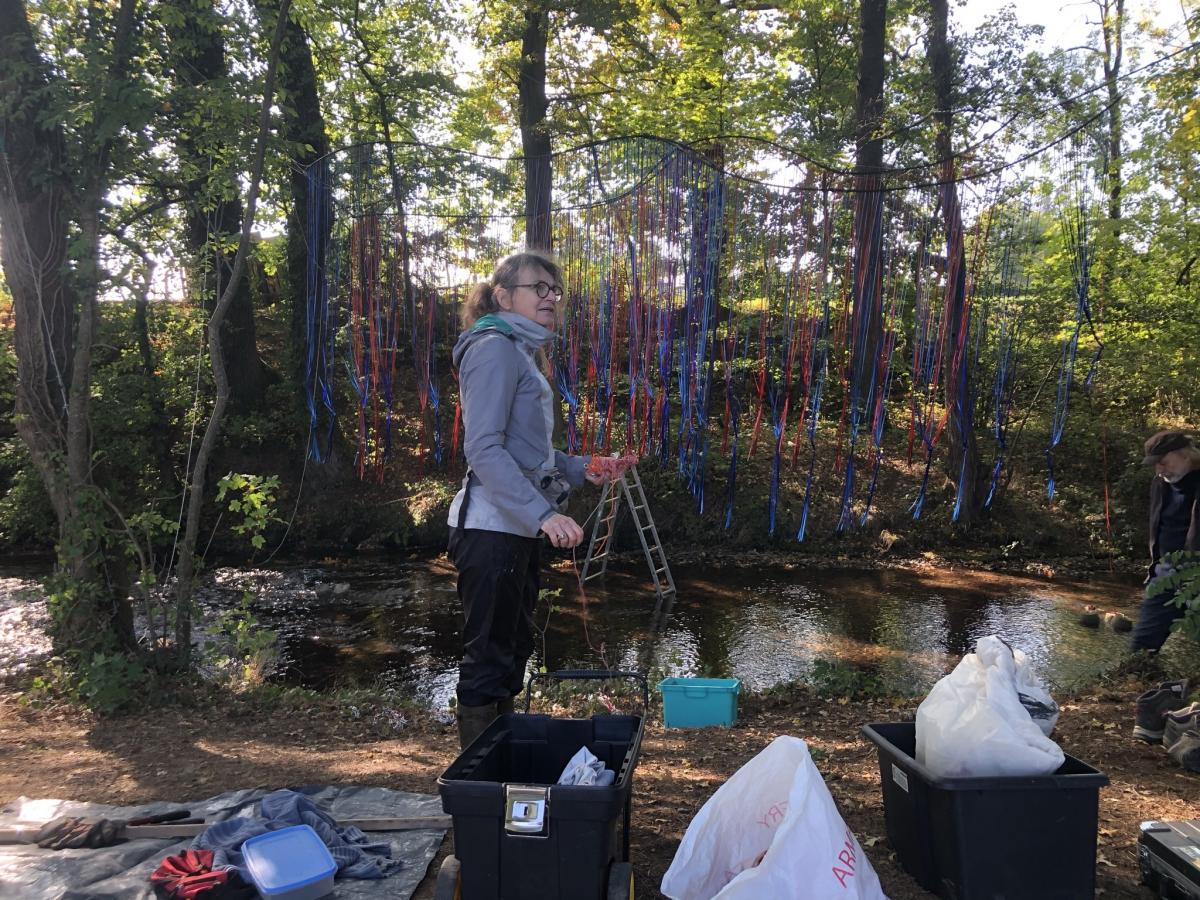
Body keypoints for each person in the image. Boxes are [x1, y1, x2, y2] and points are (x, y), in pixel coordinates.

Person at [445, 250, 608, 749]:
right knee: (490, 656)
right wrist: (545, 516)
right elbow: (484, 449)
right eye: (538, 287)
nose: (550, 297)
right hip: (491, 527)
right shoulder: (493, 349)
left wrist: (583, 468)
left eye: (554, 290)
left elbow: (529, 452)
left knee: (512, 649)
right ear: (502, 296)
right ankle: (481, 780)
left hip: (513, 529)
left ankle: (499, 764)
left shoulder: (518, 351)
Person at [1130, 429, 1199, 742]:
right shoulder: (1160, 483)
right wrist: (1155, 566)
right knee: (1141, 648)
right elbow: (1157, 526)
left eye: (1164, 461)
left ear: (1186, 453)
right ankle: (1143, 703)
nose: (1160, 468)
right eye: (1155, 463)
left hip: (1196, 575)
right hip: (1165, 574)